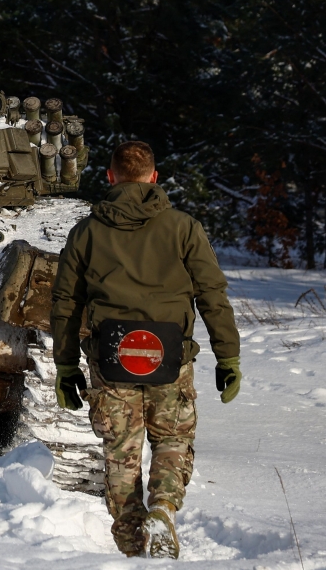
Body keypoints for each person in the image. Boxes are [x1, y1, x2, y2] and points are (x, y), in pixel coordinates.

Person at [50, 140, 242, 559]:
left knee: (121, 456)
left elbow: (65, 303)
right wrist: (228, 356)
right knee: (173, 439)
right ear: (154, 178)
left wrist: (65, 366)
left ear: (110, 177)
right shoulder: (184, 227)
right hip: (170, 357)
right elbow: (212, 294)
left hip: (111, 359)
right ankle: (163, 508)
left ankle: (135, 552)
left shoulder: (87, 231)